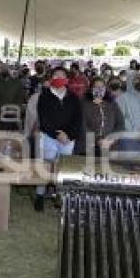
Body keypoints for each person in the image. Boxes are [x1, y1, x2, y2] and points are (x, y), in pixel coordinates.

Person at [34, 67, 81, 211]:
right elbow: (44, 119)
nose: (59, 77)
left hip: (67, 140)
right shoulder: (44, 96)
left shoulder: (73, 97)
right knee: (45, 167)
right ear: (51, 78)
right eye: (56, 75)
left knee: (63, 170)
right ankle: (40, 196)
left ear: (67, 79)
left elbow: (78, 119)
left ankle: (59, 198)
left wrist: (69, 135)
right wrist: (56, 135)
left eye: (62, 75)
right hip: (48, 137)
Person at [79, 77, 124, 156]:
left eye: (102, 87)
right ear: (91, 89)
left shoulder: (112, 104)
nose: (99, 89)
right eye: (96, 87)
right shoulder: (84, 104)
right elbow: (83, 126)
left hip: (110, 146)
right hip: (88, 147)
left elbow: (120, 124)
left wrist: (111, 139)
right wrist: (98, 140)